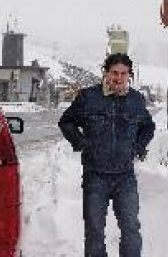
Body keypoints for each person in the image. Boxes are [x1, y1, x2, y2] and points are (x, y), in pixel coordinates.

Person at [58, 53, 155, 257]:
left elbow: (148, 127)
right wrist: (81, 142)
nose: (118, 78)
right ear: (105, 73)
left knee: (130, 229)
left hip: (125, 177)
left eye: (123, 73)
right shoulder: (88, 97)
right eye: (114, 73)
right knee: (94, 231)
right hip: (95, 176)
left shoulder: (136, 100)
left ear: (130, 75)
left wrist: (138, 146)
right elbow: (66, 122)